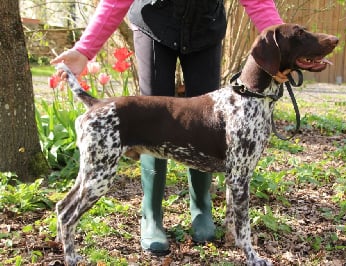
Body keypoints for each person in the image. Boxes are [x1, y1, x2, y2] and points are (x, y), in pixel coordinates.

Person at [51, 0, 283, 255]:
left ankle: (201, 208)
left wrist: (279, 49)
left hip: (205, 27)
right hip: (154, 22)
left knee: (208, 120)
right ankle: (151, 213)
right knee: (151, 119)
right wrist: (84, 50)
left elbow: (259, 1)